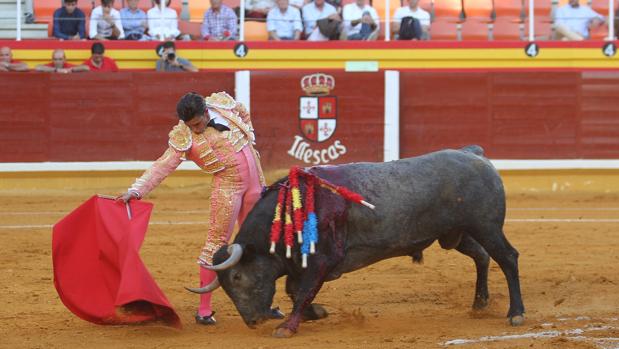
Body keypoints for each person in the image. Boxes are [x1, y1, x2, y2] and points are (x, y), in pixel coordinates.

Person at [116, 92, 281, 325]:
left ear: (206, 112)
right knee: (216, 245)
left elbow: (243, 111)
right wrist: (136, 190)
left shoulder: (222, 106)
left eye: (197, 123)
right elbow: (161, 166)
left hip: (256, 186)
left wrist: (249, 137)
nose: (196, 129)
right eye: (190, 125)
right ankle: (204, 310)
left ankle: (263, 304)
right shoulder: (185, 137)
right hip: (228, 189)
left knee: (259, 246)